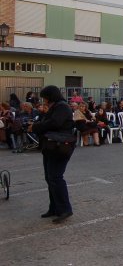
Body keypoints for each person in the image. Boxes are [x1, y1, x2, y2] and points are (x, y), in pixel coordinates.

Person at [31, 85, 75, 224]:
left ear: (50, 96)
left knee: (55, 177)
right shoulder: (55, 106)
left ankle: (65, 209)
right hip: (51, 146)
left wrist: (36, 127)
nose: (44, 100)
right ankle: (54, 207)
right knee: (50, 178)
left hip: (60, 147)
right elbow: (47, 122)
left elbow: (55, 123)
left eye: (45, 97)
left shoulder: (62, 107)